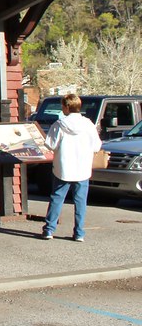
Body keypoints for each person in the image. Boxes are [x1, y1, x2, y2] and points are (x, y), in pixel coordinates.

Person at [41, 93, 102, 242]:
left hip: (63, 166)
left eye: (62, 106)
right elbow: (97, 146)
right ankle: (79, 232)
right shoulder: (88, 124)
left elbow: (51, 144)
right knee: (80, 201)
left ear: (67, 106)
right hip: (82, 167)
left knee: (57, 197)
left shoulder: (59, 124)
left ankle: (49, 229)